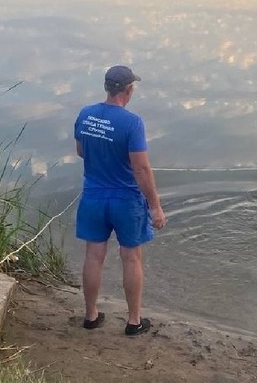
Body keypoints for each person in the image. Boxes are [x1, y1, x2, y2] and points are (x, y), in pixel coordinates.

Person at [73, 64, 167, 337]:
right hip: (125, 199)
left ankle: (91, 316)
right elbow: (141, 169)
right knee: (131, 258)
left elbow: (81, 151)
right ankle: (133, 321)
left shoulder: (86, 114)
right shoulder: (132, 122)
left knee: (93, 256)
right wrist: (156, 207)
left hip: (93, 196)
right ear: (129, 89)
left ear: (106, 87)